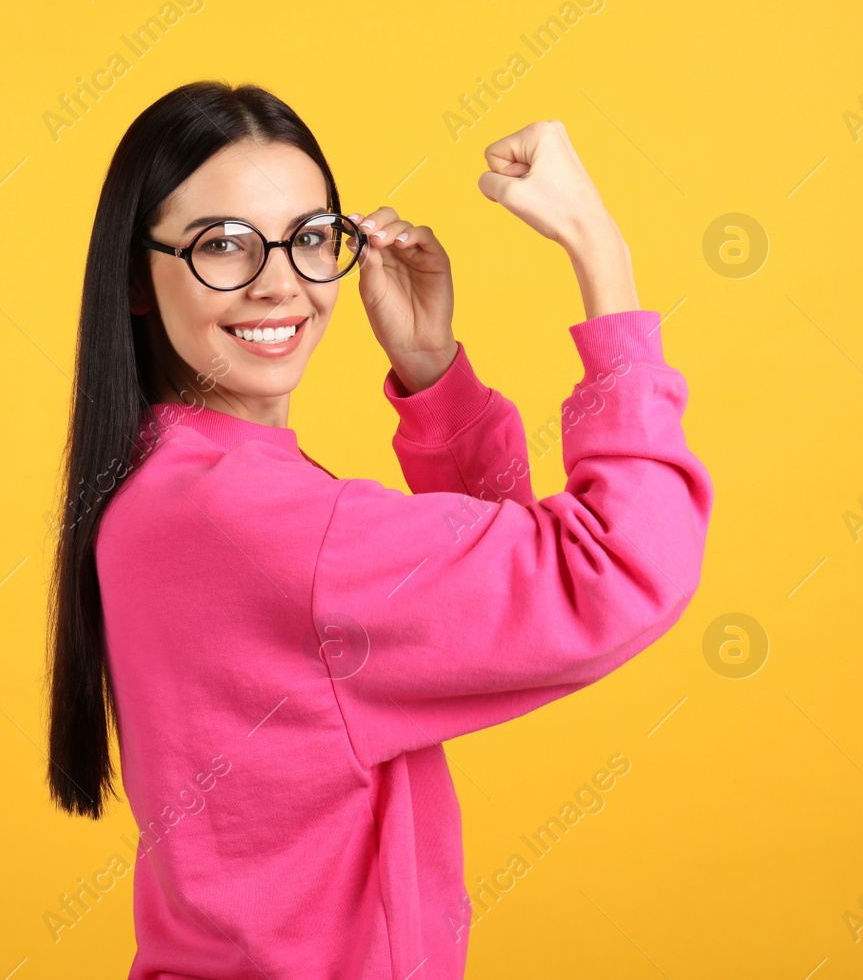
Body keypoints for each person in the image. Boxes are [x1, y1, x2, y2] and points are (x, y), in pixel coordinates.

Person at [45, 80, 714, 979]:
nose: (279, 282)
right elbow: (618, 572)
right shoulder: (262, 524)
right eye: (225, 246)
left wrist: (434, 375)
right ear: (137, 274)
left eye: (311, 238)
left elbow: (486, 605)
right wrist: (602, 251)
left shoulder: (157, 491)